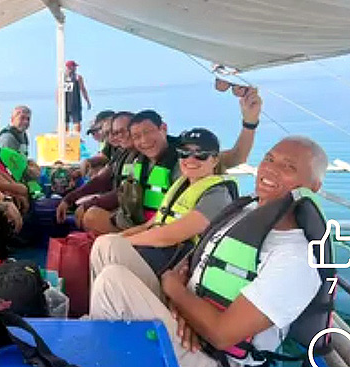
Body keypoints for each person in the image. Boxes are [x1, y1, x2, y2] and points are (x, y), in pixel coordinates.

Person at [90, 136, 328, 367]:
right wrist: (179, 302)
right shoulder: (245, 213)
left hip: (216, 356)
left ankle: (105, 350)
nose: (270, 170)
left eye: (288, 167)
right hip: (188, 317)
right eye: (269, 158)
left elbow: (222, 334)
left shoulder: (295, 259)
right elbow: (194, 262)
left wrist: (174, 291)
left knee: (111, 283)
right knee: (108, 247)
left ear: (314, 186)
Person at [81, 89, 262, 234]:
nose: (144, 141)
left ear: (163, 129)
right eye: (137, 136)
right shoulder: (136, 158)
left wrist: (250, 122)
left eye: (148, 132)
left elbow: (238, 156)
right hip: (137, 223)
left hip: (164, 231)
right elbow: (120, 191)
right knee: (91, 216)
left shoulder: (187, 157)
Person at [90, 128, 238, 277]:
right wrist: (117, 238)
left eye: (201, 155)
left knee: (108, 252)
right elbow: (150, 225)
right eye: (184, 153)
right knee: (102, 244)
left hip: (175, 268)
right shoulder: (181, 185)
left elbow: (170, 236)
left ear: (215, 160)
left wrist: (123, 242)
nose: (191, 160)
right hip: (158, 255)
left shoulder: (217, 195)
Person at [80, 110, 116, 178]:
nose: (95, 135)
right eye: (107, 133)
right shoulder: (110, 144)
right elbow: (104, 157)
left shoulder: (121, 146)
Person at [64, 60, 91, 133]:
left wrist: (87, 101)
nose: (75, 68)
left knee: (75, 123)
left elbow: (83, 89)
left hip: (73, 103)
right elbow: (83, 89)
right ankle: (69, 137)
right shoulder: (64, 78)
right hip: (68, 103)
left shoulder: (77, 77)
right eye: (74, 67)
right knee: (66, 122)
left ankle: (75, 137)